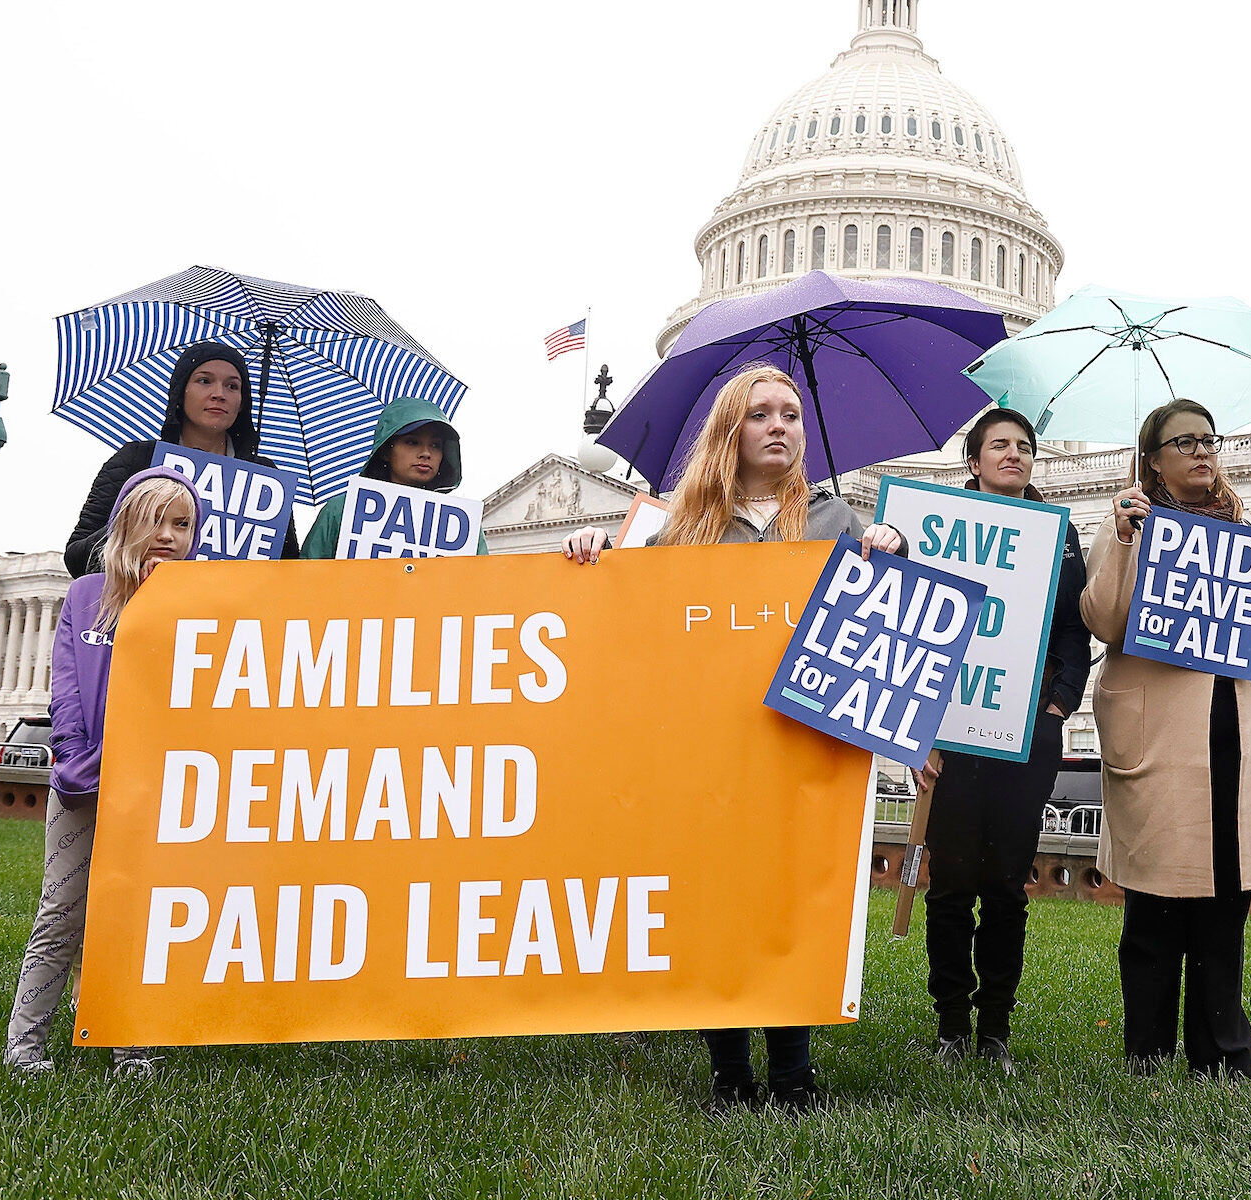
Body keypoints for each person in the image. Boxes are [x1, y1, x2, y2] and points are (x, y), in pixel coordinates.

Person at [557, 363, 904, 1111]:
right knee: (715, 901)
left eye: (790, 414)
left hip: (799, 742)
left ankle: (793, 1072)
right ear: (729, 431)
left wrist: (893, 545)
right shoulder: (680, 530)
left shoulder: (836, 523)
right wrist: (588, 555)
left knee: (789, 900)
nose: (779, 426)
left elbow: (885, 625)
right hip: (707, 749)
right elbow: (622, 619)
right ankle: (729, 1072)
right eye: (761, 415)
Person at [1081, 398, 1251, 1081]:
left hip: (1230, 724)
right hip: (1157, 734)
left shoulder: (1243, 533)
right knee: (1154, 904)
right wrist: (1121, 540)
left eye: (1209, 439)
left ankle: (1223, 1053)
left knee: (1223, 903)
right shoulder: (1126, 529)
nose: (1203, 451)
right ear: (1154, 460)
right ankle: (1147, 1051)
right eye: (1185, 442)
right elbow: (1104, 622)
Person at [8, 467, 203, 1077]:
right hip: (84, 785)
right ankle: (26, 1046)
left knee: (136, 918)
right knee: (61, 915)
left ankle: (129, 1042)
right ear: (123, 525)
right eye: (155, 521)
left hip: (160, 791)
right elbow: (66, 688)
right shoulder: (85, 595)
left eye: (183, 524)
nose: (169, 535)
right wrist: (75, 757)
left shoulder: (203, 602)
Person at [920, 408, 1089, 1074]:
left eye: (1024, 447)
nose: (1014, 456)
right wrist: (919, 731)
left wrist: (1059, 702)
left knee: (1007, 888)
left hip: (1030, 728)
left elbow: (1077, 630)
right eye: (1001, 446)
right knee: (950, 886)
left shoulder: (1062, 537)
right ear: (974, 461)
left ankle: (995, 1029)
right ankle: (951, 1025)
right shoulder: (939, 531)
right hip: (953, 731)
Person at [64, 341, 299, 576]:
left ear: (242, 402)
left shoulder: (266, 478)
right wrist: (133, 527)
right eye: (204, 381)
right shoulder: (137, 460)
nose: (219, 394)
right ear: (180, 391)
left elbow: (288, 571)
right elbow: (77, 559)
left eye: (232, 386)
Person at [302, 395, 490, 557]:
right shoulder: (341, 510)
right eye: (412, 442)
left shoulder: (462, 526)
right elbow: (305, 582)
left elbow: (482, 590)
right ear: (385, 451)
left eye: (436, 445)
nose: (426, 453)